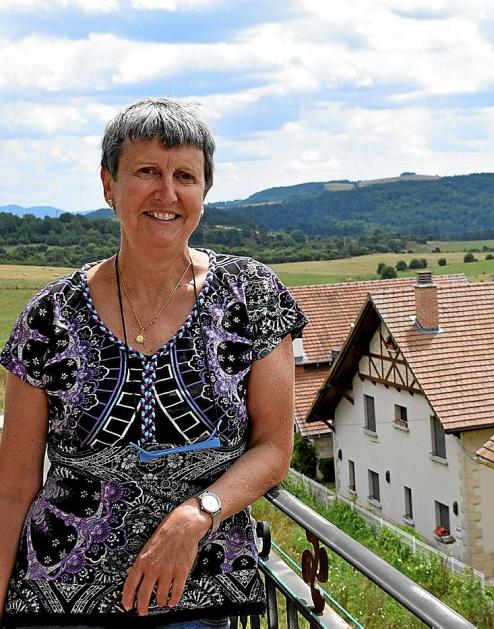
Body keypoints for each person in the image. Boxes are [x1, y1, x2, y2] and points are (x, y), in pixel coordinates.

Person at [0, 98, 308, 628]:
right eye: (146, 171)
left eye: (185, 175)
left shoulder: (251, 296)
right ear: (108, 185)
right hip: (57, 592)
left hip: (196, 589)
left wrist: (197, 514)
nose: (167, 193)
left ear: (204, 194)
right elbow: (13, 487)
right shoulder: (47, 316)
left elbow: (274, 449)